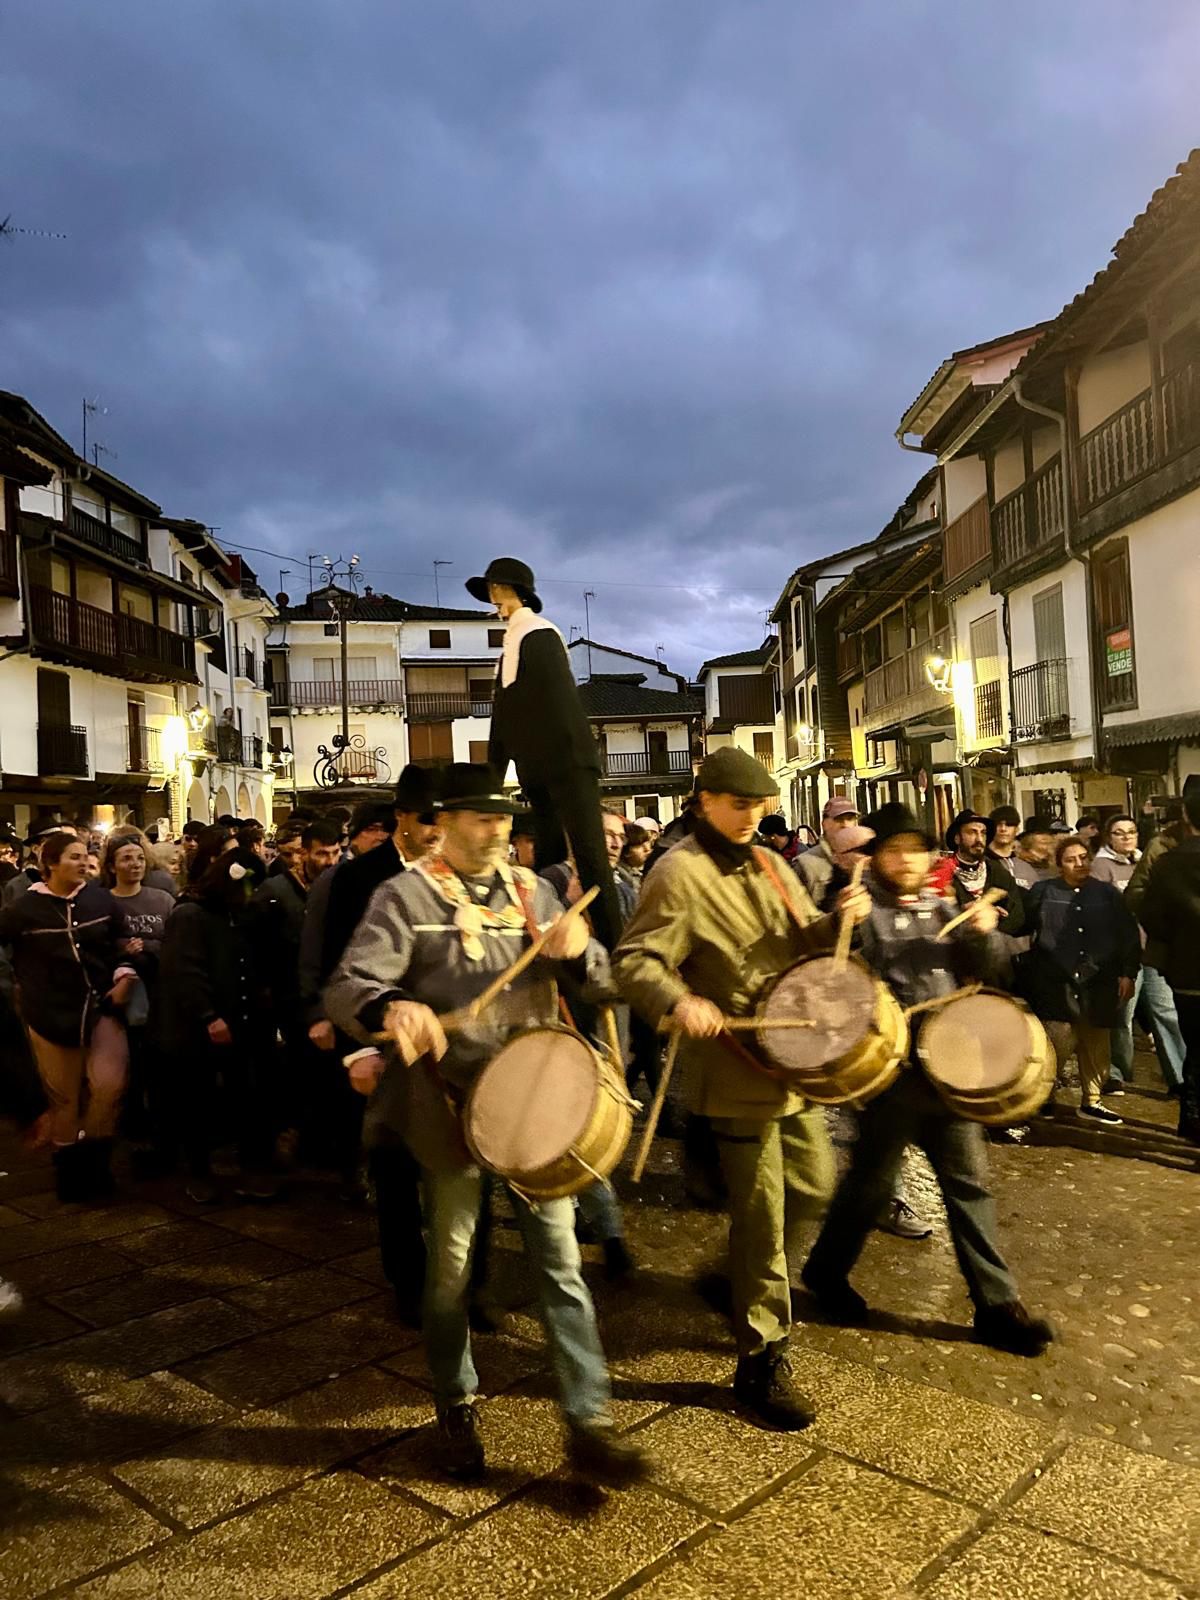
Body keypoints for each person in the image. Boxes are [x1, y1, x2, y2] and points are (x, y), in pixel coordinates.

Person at [325, 763, 646, 1486]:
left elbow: (602, 982)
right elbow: (350, 986)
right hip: (449, 1109)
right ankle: (457, 1403)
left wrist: (578, 955)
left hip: (537, 1103)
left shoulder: (532, 893)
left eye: (505, 819)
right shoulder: (404, 896)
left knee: (562, 1266)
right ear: (445, 822)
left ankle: (589, 1421)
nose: (499, 830)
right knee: (450, 1273)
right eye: (482, 817)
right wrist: (391, 1009)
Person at [614, 747, 869, 1430]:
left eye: (759, 805)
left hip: (788, 1059)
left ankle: (734, 1280)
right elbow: (634, 959)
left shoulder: (770, 862)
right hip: (732, 1065)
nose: (752, 816)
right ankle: (762, 1355)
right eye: (738, 804)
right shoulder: (676, 872)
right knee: (762, 1213)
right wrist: (676, 998)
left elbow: (800, 942)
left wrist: (839, 917)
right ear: (703, 802)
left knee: (813, 1186)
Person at [801, 804, 1054, 1358]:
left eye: (916, 848)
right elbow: (825, 973)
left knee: (970, 1186)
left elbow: (990, 969)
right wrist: (840, 922)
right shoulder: (859, 908)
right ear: (877, 858)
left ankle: (998, 1305)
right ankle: (826, 1271)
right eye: (895, 849)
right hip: (889, 1075)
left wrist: (985, 934)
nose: (908, 859)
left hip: (948, 1068)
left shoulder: (946, 907)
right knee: (868, 1187)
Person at [306, 766, 442, 1320]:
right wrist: (356, 1049)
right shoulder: (357, 878)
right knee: (395, 1171)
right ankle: (408, 1284)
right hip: (381, 1041)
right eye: (429, 819)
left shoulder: (456, 874)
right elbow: (337, 966)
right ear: (401, 820)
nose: (438, 831)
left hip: (446, 1042)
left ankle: (467, 1285)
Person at [468, 556, 623, 951]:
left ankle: (617, 947)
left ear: (507, 592)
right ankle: (548, 936)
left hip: (566, 764)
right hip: (538, 769)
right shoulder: (512, 645)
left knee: (591, 860)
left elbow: (561, 704)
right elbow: (502, 719)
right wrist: (492, 778)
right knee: (547, 859)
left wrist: (562, 765)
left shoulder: (539, 634)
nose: (493, 602)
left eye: (494, 592)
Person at [0, 831, 135, 1201]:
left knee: (108, 1084)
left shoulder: (98, 899)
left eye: (84, 856)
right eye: (73, 857)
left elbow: (122, 941)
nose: (81, 863)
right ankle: (72, 1175)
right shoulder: (25, 909)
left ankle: (97, 1162)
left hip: (100, 1006)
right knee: (63, 1098)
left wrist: (124, 974)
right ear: (50, 865)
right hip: (50, 1014)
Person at [1022, 836, 1140, 1127]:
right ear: (1058, 865)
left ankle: (1092, 1100)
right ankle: (1045, 1095)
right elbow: (1021, 925)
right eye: (1071, 859)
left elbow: (1127, 933)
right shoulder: (1043, 891)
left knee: (1096, 1040)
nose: (1080, 864)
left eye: (1084, 857)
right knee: (1057, 1040)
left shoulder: (1107, 894)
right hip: (1056, 980)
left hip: (1099, 978)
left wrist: (1128, 972)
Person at [1090, 814, 1185, 1096]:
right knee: (1122, 1014)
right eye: (1119, 833)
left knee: (1166, 1012)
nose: (1127, 837)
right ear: (1109, 837)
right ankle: (1116, 1072)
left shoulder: (1148, 860)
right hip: (1122, 951)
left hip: (1152, 948)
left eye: (1131, 832)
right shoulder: (1100, 867)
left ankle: (1179, 1078)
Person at [102, 834, 178, 1170]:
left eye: (139, 858)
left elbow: (176, 942)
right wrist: (122, 952)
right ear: (112, 865)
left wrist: (148, 948)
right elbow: (96, 946)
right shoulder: (103, 902)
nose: (134, 865)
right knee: (129, 1065)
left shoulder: (162, 900)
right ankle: (134, 1129)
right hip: (123, 997)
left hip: (160, 994)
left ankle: (163, 1131)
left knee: (160, 1064)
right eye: (126, 859)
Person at [1140, 789, 1200, 1144]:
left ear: (1186, 819)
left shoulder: (1167, 863)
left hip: (1186, 975)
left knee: (1195, 1046)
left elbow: (1152, 918)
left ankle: (1191, 1121)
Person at [930, 811, 1026, 941]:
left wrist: (994, 919)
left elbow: (1017, 916)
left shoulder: (997, 871)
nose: (979, 839)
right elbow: (936, 919)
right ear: (957, 838)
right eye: (972, 832)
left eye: (983, 833)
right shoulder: (943, 871)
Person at [793, 797, 859, 907]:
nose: (845, 825)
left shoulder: (862, 859)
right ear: (824, 823)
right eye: (838, 819)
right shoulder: (805, 864)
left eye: (850, 819)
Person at [1011, 816, 1058, 891]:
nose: (1045, 837)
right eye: (1039, 833)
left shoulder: (1055, 866)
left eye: (1049, 833)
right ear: (1028, 837)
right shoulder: (1015, 864)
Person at [986, 806, 1022, 880]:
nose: (1003, 829)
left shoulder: (1023, 860)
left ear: (1017, 829)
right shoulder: (981, 861)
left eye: (1009, 824)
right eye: (998, 824)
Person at [619, 822, 653, 887]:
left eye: (648, 843)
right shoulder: (621, 877)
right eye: (640, 846)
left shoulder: (636, 872)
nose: (647, 849)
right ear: (626, 851)